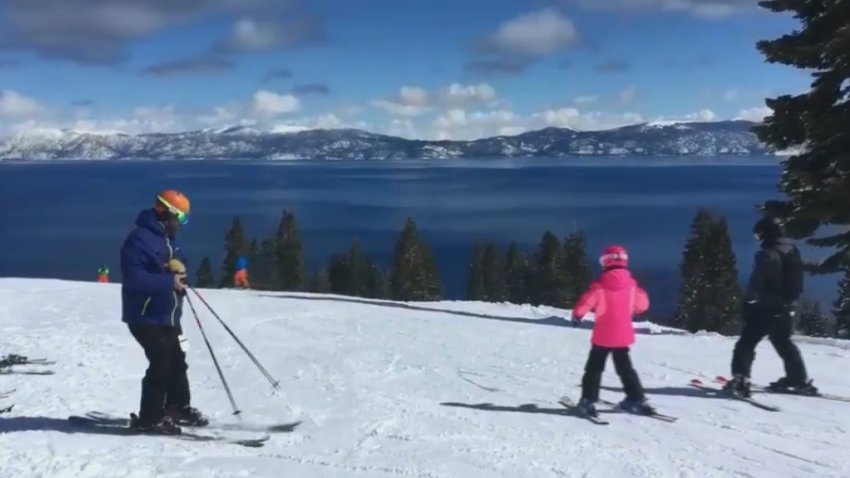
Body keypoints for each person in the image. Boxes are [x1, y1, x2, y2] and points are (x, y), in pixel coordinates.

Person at [120, 189, 208, 434]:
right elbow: (134, 279)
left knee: (179, 358)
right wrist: (169, 282)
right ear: (166, 212)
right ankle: (150, 418)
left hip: (170, 317)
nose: (181, 224)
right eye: (180, 218)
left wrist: (179, 268)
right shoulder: (138, 240)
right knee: (161, 362)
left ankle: (177, 407)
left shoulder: (166, 238)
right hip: (145, 317)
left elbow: (178, 260)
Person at [723, 215, 818, 397]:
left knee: (746, 343)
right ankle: (797, 379)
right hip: (786, 307)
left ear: (766, 234)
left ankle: (740, 379)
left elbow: (757, 280)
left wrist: (748, 301)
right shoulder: (791, 251)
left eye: (759, 235)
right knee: (783, 342)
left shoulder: (768, 254)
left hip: (767, 307)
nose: (758, 240)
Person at [571, 245, 653, 417]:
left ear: (605, 262)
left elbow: (586, 302)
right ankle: (636, 398)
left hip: (603, 335)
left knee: (594, 368)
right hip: (623, 335)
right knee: (625, 368)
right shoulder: (631, 286)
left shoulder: (600, 286)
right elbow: (642, 304)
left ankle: (588, 400)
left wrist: (577, 315)